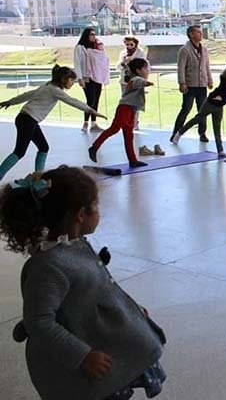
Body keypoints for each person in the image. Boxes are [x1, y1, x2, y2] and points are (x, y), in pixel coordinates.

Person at [0, 167, 166, 400]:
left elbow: (95, 289)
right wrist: (82, 356)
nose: (99, 211)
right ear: (80, 214)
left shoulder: (72, 246)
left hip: (95, 338)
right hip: (80, 364)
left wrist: (131, 310)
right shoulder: (49, 267)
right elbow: (38, 321)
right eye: (95, 206)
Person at [0, 66, 105, 181]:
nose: (72, 83)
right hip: (28, 120)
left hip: (26, 119)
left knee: (43, 147)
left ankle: (38, 177)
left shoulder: (47, 86)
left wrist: (10, 102)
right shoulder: (55, 90)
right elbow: (72, 101)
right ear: (63, 79)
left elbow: (28, 94)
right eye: (71, 80)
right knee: (19, 152)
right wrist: (91, 110)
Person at [171, 58, 226, 158]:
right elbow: (223, 88)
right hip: (211, 103)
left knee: (217, 128)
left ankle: (220, 150)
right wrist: (220, 97)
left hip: (220, 105)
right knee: (197, 119)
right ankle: (179, 133)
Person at [89, 59, 154, 169]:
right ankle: (94, 147)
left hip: (131, 109)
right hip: (125, 109)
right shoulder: (137, 79)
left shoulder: (135, 79)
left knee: (129, 135)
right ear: (138, 70)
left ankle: (132, 160)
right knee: (114, 129)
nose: (147, 70)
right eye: (145, 68)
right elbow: (138, 82)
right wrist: (146, 83)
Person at [172, 25, 213, 143]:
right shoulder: (184, 50)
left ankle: (202, 133)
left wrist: (209, 80)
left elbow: (206, 66)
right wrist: (182, 83)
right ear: (191, 34)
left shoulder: (204, 50)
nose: (201, 34)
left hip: (202, 85)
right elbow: (181, 68)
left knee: (202, 110)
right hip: (190, 85)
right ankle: (176, 132)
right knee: (186, 109)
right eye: (198, 32)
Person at [74, 27, 107, 133]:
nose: (94, 36)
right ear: (86, 35)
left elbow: (102, 59)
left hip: (96, 77)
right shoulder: (80, 48)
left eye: (94, 34)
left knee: (96, 100)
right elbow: (77, 63)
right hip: (87, 78)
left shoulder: (95, 47)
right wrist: (80, 78)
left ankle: (94, 123)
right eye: (91, 34)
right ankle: (85, 122)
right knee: (90, 100)